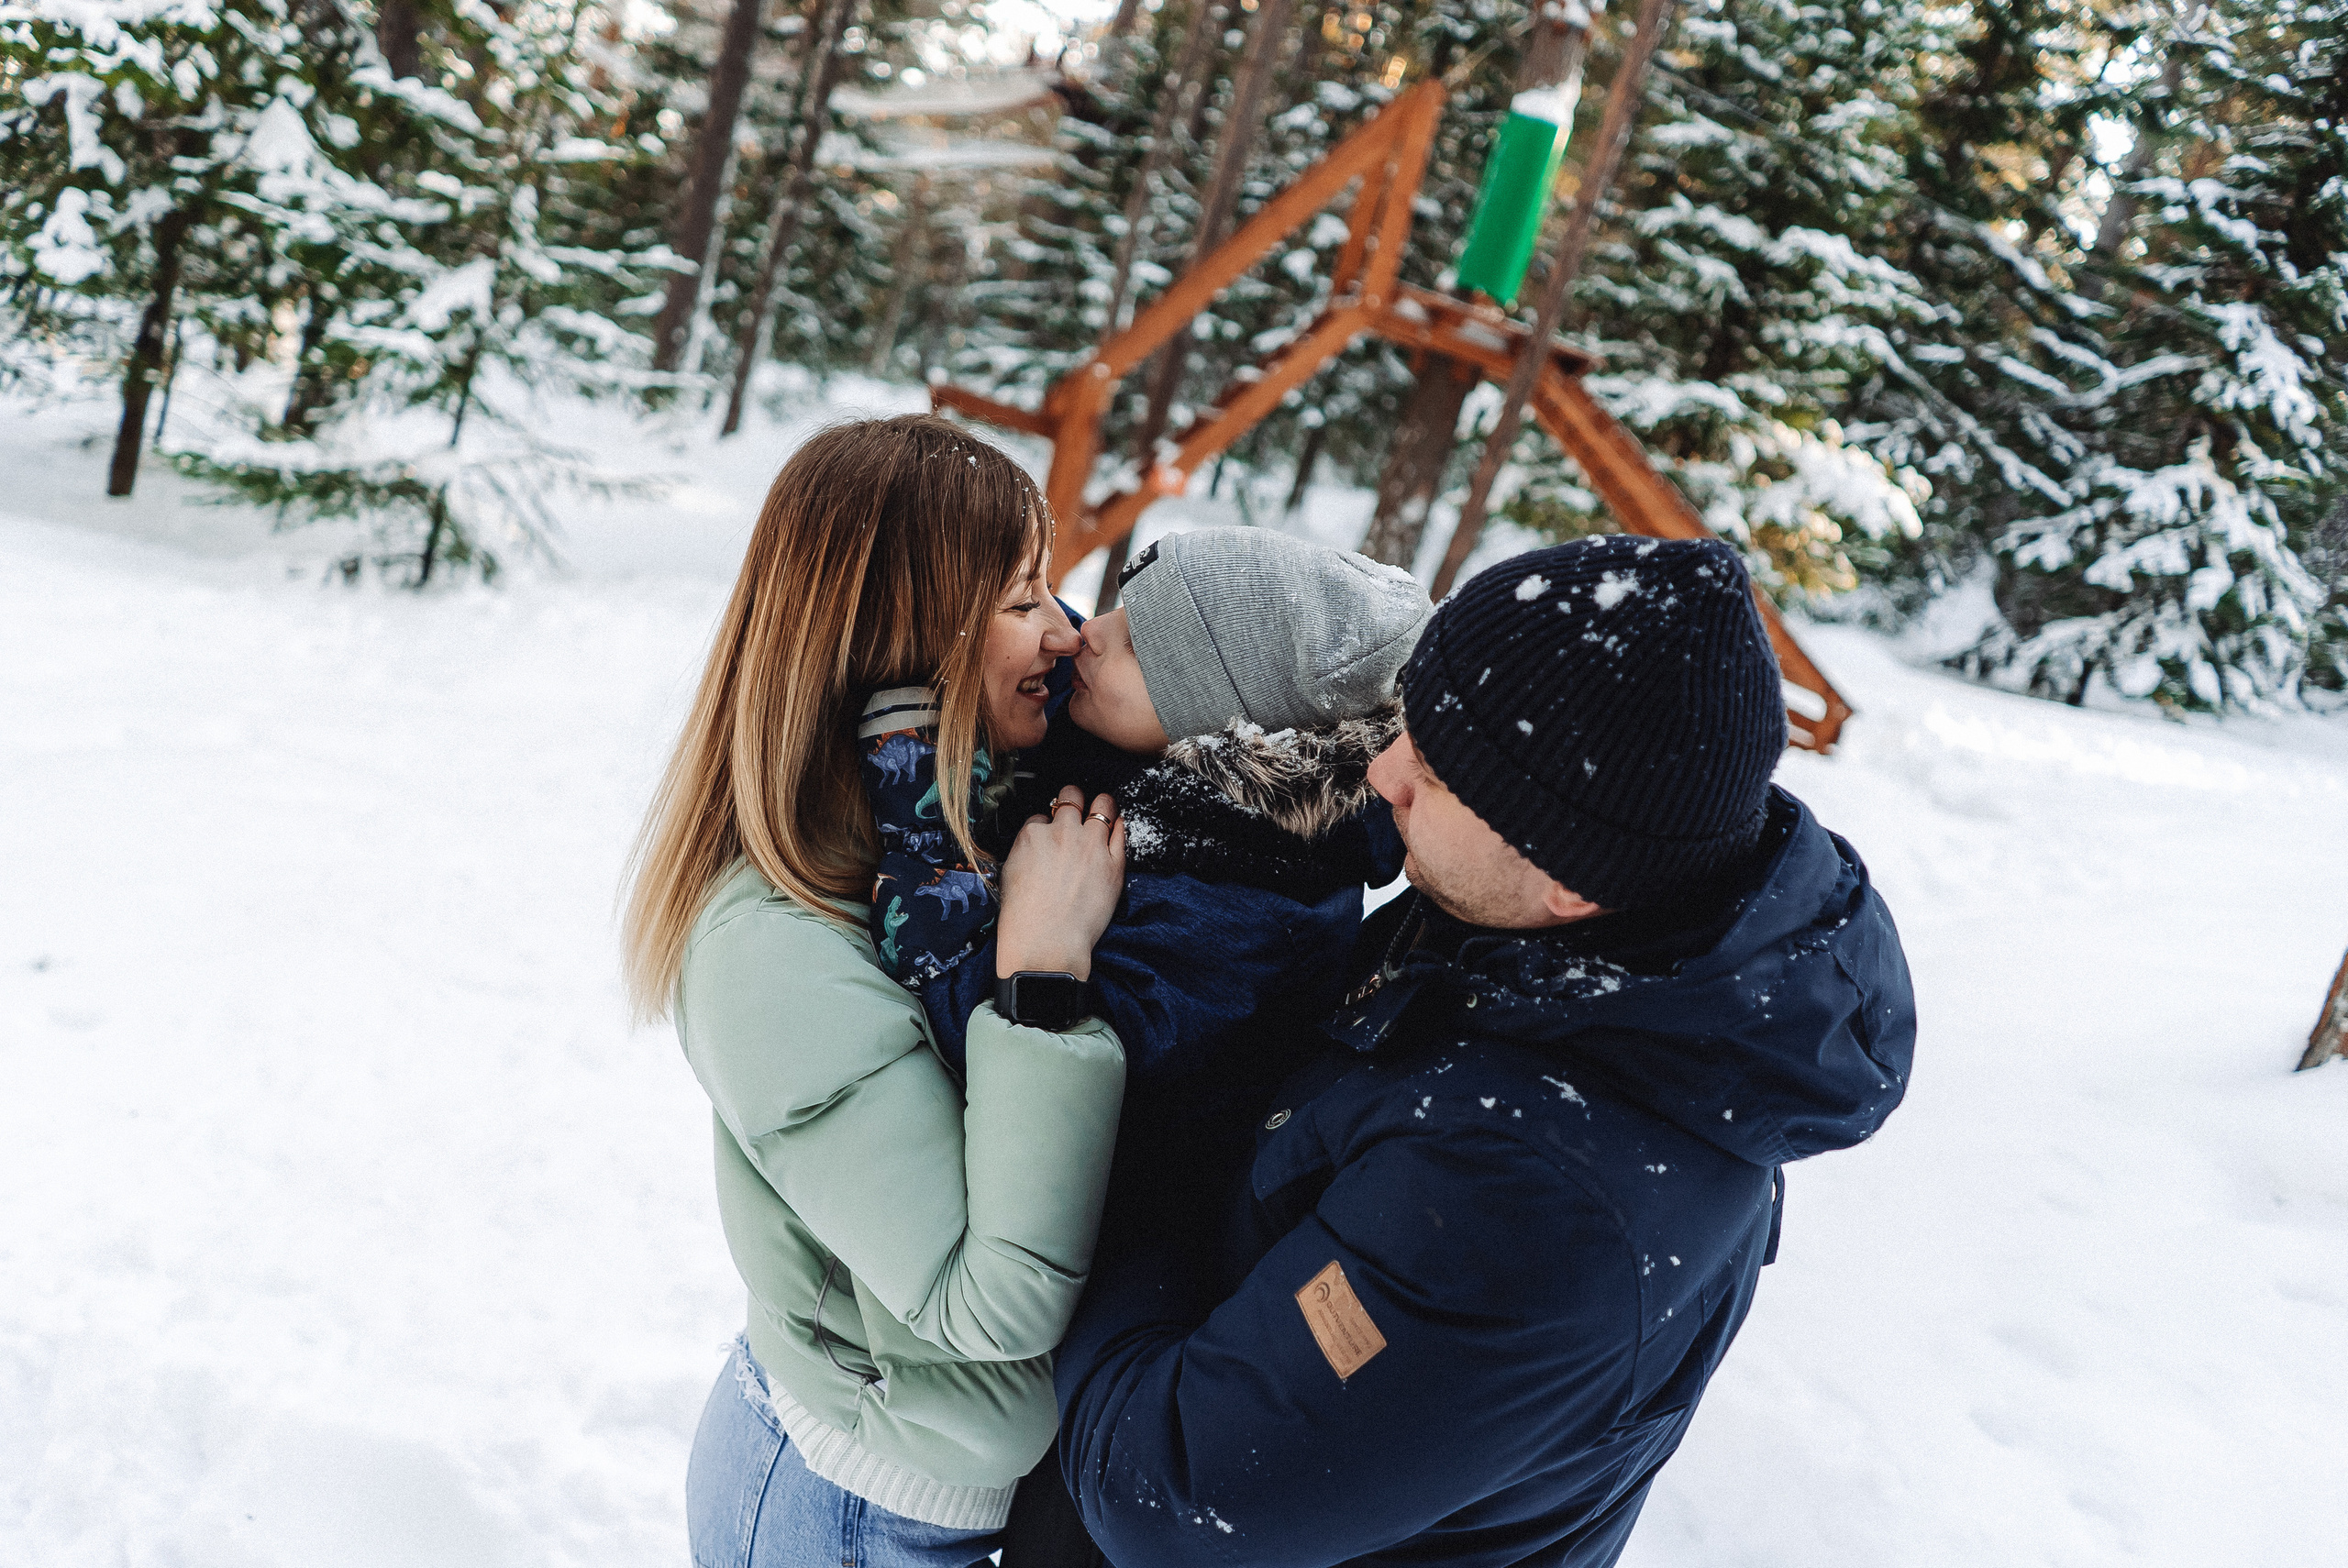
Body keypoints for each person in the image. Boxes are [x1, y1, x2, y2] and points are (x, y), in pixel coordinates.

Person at [1045, 534, 1921, 1568]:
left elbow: (1171, 1493)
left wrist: (1105, 1150)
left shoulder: (1537, 1207)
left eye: (1437, 770)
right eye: (1413, 723)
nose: (1382, 773)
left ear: (1569, 879)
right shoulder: (1559, 931)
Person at [619, 414, 1132, 1568]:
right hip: (848, 1505)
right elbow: (978, 1305)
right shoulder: (771, 949)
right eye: (1019, 602)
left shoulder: (958, 832)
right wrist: (1041, 989)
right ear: (902, 641)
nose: (1063, 630)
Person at [861, 526, 1433, 1093]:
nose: (1083, 634)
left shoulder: (1237, 930)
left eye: (1138, 644)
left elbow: (990, 1062)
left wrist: (926, 835)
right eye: (1120, 605)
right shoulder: (1126, 733)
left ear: (1221, 726)